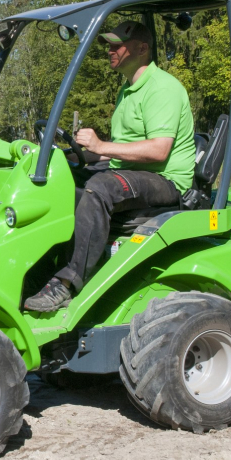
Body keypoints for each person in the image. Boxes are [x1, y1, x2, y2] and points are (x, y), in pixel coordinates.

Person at [24, 20, 196, 312]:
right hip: (131, 171)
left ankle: (67, 283)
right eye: (108, 45)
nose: (110, 50)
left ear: (142, 49)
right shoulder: (127, 91)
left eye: (117, 45)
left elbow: (158, 150)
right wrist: (69, 157)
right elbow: (120, 150)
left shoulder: (162, 88)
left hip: (165, 179)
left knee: (100, 187)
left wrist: (101, 146)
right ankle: (39, 268)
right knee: (60, 179)